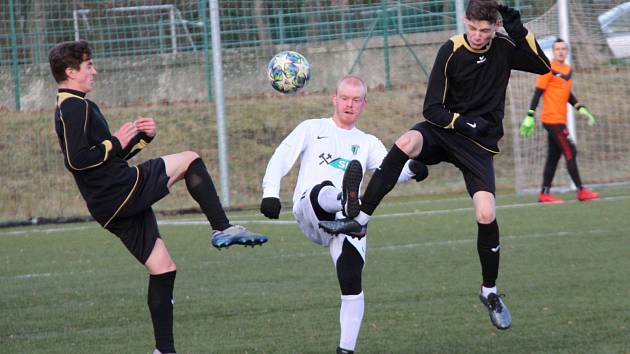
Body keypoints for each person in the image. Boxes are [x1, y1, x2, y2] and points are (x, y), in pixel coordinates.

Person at [320, 1, 551, 330]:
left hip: (478, 145)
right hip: (444, 131)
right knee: (405, 142)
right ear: (465, 21)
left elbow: (543, 66)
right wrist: (464, 123)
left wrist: (518, 29)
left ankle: (490, 292)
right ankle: (360, 218)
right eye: (472, 28)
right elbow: (432, 109)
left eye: (485, 30)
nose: (477, 36)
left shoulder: (504, 47)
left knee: (486, 213)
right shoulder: (451, 50)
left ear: (495, 27)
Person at [49, 40, 267, 354]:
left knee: (163, 268)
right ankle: (222, 227)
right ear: (70, 72)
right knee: (190, 159)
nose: (94, 71)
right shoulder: (73, 105)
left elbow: (104, 158)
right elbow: (77, 160)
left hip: (109, 204)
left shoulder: (76, 104)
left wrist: (140, 140)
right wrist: (114, 141)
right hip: (119, 190)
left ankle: (163, 351)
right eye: (88, 66)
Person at [260, 75, 426, 353]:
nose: (349, 105)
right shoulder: (312, 128)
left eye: (356, 100)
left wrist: (412, 170)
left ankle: (346, 349)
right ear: (334, 99)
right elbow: (281, 156)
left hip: (345, 222)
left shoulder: (367, 142)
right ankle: (343, 198)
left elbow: (388, 172)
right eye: (345, 98)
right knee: (322, 189)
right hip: (309, 210)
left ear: (364, 105)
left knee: (351, 276)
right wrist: (270, 193)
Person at [520, 38, 600, 203]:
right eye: (557, 49)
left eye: (564, 49)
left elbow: (567, 93)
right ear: (553, 51)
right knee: (571, 150)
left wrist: (580, 107)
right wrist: (529, 115)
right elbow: (538, 92)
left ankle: (544, 193)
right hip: (552, 120)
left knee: (553, 157)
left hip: (560, 120)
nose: (561, 51)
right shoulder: (547, 68)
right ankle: (581, 191)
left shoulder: (568, 69)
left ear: (567, 51)